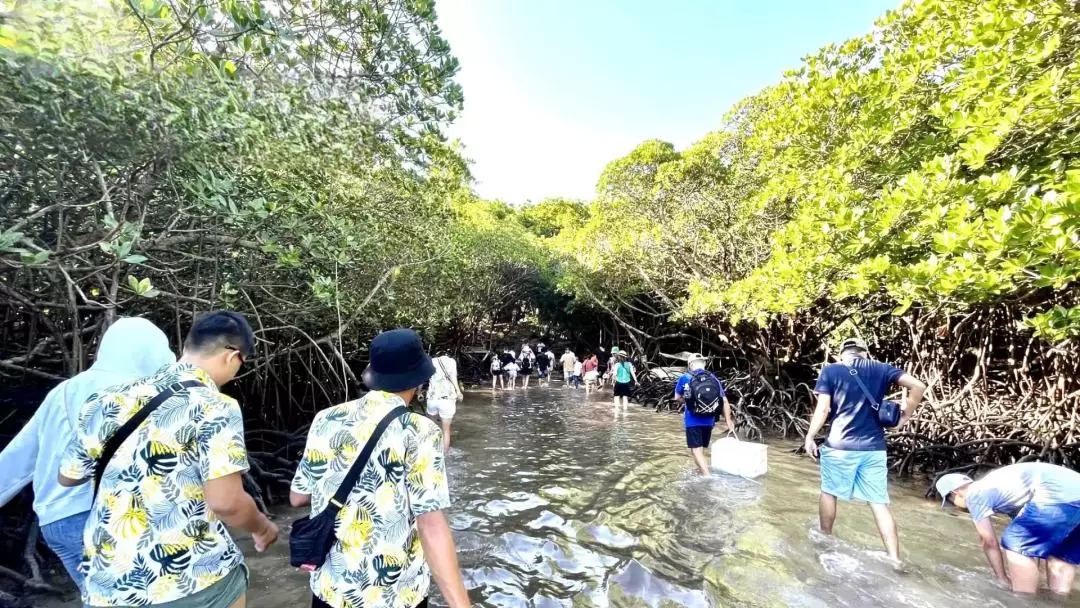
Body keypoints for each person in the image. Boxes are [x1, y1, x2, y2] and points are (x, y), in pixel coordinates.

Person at [59, 311, 277, 608]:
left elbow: (68, 476)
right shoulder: (216, 406)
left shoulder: (105, 400)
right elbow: (226, 503)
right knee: (230, 576)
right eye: (243, 363)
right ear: (232, 356)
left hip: (108, 583)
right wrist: (262, 527)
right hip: (191, 580)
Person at [290, 329, 470, 608]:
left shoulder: (326, 419)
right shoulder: (420, 431)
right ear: (420, 378)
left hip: (332, 590)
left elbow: (298, 497)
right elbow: (431, 526)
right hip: (396, 596)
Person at [0, 318, 175, 592]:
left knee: (103, 597)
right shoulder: (137, 396)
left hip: (56, 522)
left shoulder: (64, 392)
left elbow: (21, 455)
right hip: (101, 521)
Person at [802, 337, 926, 562]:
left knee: (830, 492)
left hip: (840, 446)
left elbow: (823, 409)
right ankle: (894, 558)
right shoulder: (881, 368)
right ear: (864, 352)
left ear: (842, 354)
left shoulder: (830, 371)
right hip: (874, 448)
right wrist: (906, 415)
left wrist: (810, 436)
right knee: (879, 503)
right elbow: (918, 385)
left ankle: (825, 540)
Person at [937, 463, 1080, 596]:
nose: (957, 506)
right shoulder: (1001, 487)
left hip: (1058, 497)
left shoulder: (974, 494)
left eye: (950, 501)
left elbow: (989, 542)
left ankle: (1025, 600)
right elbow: (1032, 546)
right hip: (1071, 493)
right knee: (1060, 554)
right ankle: (1058, 599)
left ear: (955, 493)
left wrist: (1002, 578)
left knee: (1015, 542)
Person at [674, 354, 735, 476]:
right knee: (701, 449)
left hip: (693, 420)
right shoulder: (713, 378)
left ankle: (707, 476)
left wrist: (690, 401)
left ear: (690, 365)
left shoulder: (685, 377)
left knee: (696, 450)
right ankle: (699, 471)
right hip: (709, 420)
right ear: (703, 364)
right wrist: (729, 420)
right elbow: (724, 400)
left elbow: (677, 398)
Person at [426, 350, 463, 453]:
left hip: (432, 399)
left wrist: (419, 391)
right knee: (446, 430)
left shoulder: (430, 361)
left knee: (431, 426)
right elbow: (453, 377)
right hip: (447, 399)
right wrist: (458, 391)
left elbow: (423, 377)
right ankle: (444, 455)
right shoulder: (451, 362)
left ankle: (430, 451)